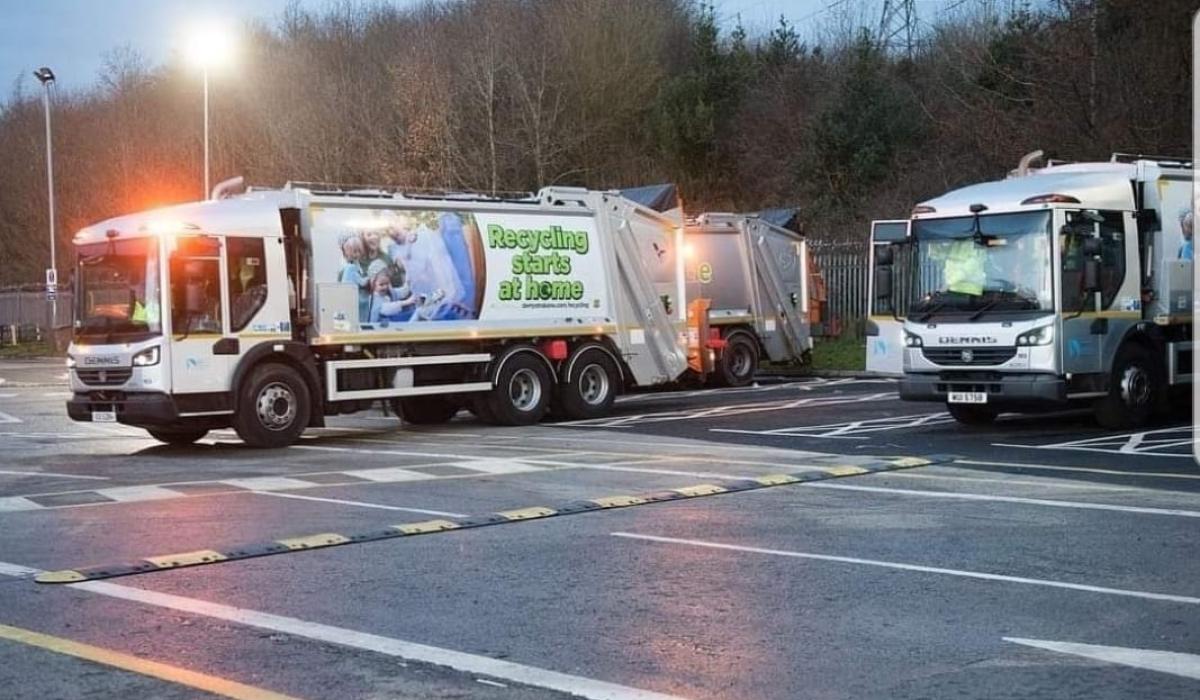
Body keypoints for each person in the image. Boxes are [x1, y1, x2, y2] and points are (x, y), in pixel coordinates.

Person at [338, 233, 371, 323]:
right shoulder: (351, 268)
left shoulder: (352, 266)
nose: (357, 254)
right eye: (354, 251)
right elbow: (362, 282)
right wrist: (371, 277)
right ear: (347, 252)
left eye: (358, 251)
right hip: (353, 299)